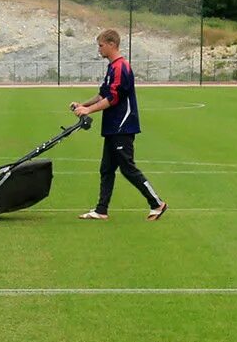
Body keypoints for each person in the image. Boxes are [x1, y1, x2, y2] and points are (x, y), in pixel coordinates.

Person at [70, 29, 167, 221]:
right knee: (106, 169)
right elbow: (102, 94)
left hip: (123, 126)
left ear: (112, 44)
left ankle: (157, 203)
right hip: (112, 127)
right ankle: (101, 210)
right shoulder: (112, 67)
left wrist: (89, 111)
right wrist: (83, 105)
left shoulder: (122, 67)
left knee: (127, 168)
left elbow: (113, 98)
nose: (99, 49)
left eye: (101, 45)